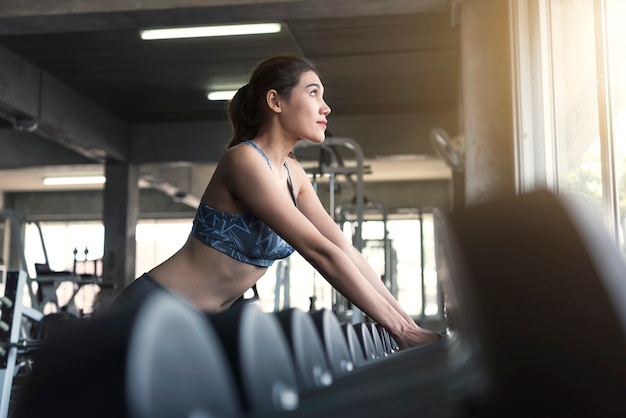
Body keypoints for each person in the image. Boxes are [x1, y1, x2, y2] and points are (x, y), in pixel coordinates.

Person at [112, 55, 440, 349]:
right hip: (150, 312)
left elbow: (344, 250)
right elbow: (320, 252)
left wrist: (409, 325)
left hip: (197, 326)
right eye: (313, 93)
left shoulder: (292, 173)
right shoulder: (244, 160)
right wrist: (399, 330)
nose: (325, 107)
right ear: (275, 101)